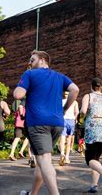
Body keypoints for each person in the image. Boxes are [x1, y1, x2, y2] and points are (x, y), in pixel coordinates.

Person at [13, 50, 79, 195]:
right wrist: (65, 108)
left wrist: (22, 84)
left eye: (32, 60)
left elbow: (18, 94)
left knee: (44, 160)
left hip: (38, 122)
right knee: (41, 161)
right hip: (57, 123)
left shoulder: (29, 74)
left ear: (42, 60)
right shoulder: (59, 76)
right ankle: (33, 193)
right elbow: (75, 89)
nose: (29, 63)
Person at [59, 91, 79, 166]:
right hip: (71, 120)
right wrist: (75, 118)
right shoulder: (74, 102)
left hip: (63, 120)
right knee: (69, 139)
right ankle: (67, 157)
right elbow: (77, 112)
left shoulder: (61, 101)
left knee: (62, 138)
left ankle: (62, 154)